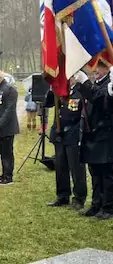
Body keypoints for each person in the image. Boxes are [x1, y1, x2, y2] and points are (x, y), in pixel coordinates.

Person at [76, 63, 113, 219]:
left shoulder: (108, 85)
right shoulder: (98, 84)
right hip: (92, 135)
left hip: (105, 136)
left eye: (100, 67)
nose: (96, 70)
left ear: (107, 69)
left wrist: (85, 83)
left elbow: (100, 99)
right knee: (95, 173)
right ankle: (96, 204)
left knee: (107, 175)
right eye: (96, 67)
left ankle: (108, 207)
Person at [45, 78, 87, 210]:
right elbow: (48, 103)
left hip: (73, 134)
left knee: (76, 168)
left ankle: (79, 198)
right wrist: (52, 89)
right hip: (59, 133)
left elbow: (78, 114)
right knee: (60, 166)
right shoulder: (59, 90)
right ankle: (63, 195)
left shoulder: (80, 91)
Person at [0, 70, 20, 185]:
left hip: (7, 127)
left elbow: (9, 110)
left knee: (7, 152)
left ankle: (8, 176)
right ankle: (4, 173)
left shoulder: (9, 89)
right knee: (2, 152)